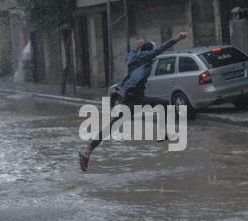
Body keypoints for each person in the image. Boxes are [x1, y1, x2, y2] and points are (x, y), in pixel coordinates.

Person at [79, 32, 187, 171]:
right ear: (149, 52)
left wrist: (137, 46)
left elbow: (137, 50)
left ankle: (89, 149)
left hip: (135, 98)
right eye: (152, 51)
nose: (154, 54)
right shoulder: (145, 57)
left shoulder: (133, 56)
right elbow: (160, 49)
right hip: (134, 99)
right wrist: (177, 39)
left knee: (163, 106)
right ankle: (88, 150)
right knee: (113, 126)